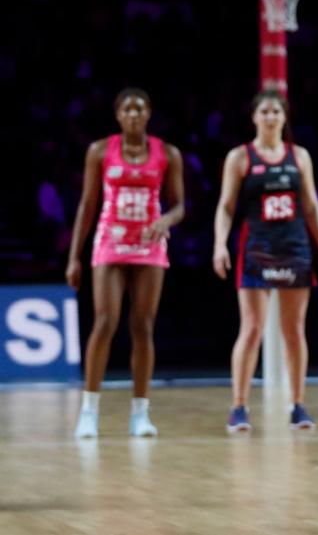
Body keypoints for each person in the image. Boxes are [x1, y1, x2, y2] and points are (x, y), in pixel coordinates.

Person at [212, 91, 318, 432]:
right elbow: (225, 206)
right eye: (264, 111)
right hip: (255, 250)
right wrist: (220, 244)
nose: (270, 116)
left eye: (276, 111)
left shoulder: (300, 157)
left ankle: (298, 405)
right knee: (251, 329)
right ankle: (239, 407)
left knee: (294, 331)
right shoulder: (241, 157)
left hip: (295, 249)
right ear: (254, 117)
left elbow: (311, 206)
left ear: (284, 117)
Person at [65, 88, 185, 438]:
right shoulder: (100, 150)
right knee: (105, 321)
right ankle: (88, 411)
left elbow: (179, 205)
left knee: (143, 327)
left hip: (149, 243)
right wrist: (74, 256)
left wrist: (166, 221)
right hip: (111, 240)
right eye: (127, 109)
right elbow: (87, 206)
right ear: (118, 115)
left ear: (148, 114)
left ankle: (140, 413)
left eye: (140, 109)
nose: (134, 114)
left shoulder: (168, 153)